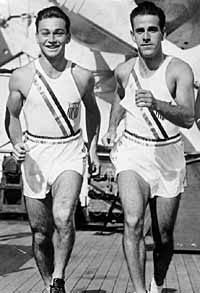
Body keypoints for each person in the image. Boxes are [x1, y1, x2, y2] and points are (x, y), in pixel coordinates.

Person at [5, 6, 100, 293]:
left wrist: (92, 148)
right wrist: (17, 144)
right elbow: (11, 117)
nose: (52, 39)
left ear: (68, 36)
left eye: (59, 32)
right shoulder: (21, 76)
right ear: (37, 37)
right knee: (40, 232)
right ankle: (49, 285)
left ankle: (58, 277)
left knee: (63, 216)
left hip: (69, 151)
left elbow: (93, 113)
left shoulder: (82, 76)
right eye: (45, 33)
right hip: (35, 154)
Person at [102, 2, 194, 293]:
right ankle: (140, 291)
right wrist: (112, 126)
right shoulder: (124, 70)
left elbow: (189, 117)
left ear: (163, 32)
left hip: (168, 154)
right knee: (132, 220)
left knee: (164, 237)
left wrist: (157, 103)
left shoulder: (179, 70)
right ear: (132, 34)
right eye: (139, 30)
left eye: (152, 29)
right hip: (133, 152)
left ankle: (159, 282)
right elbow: (120, 97)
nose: (145, 36)